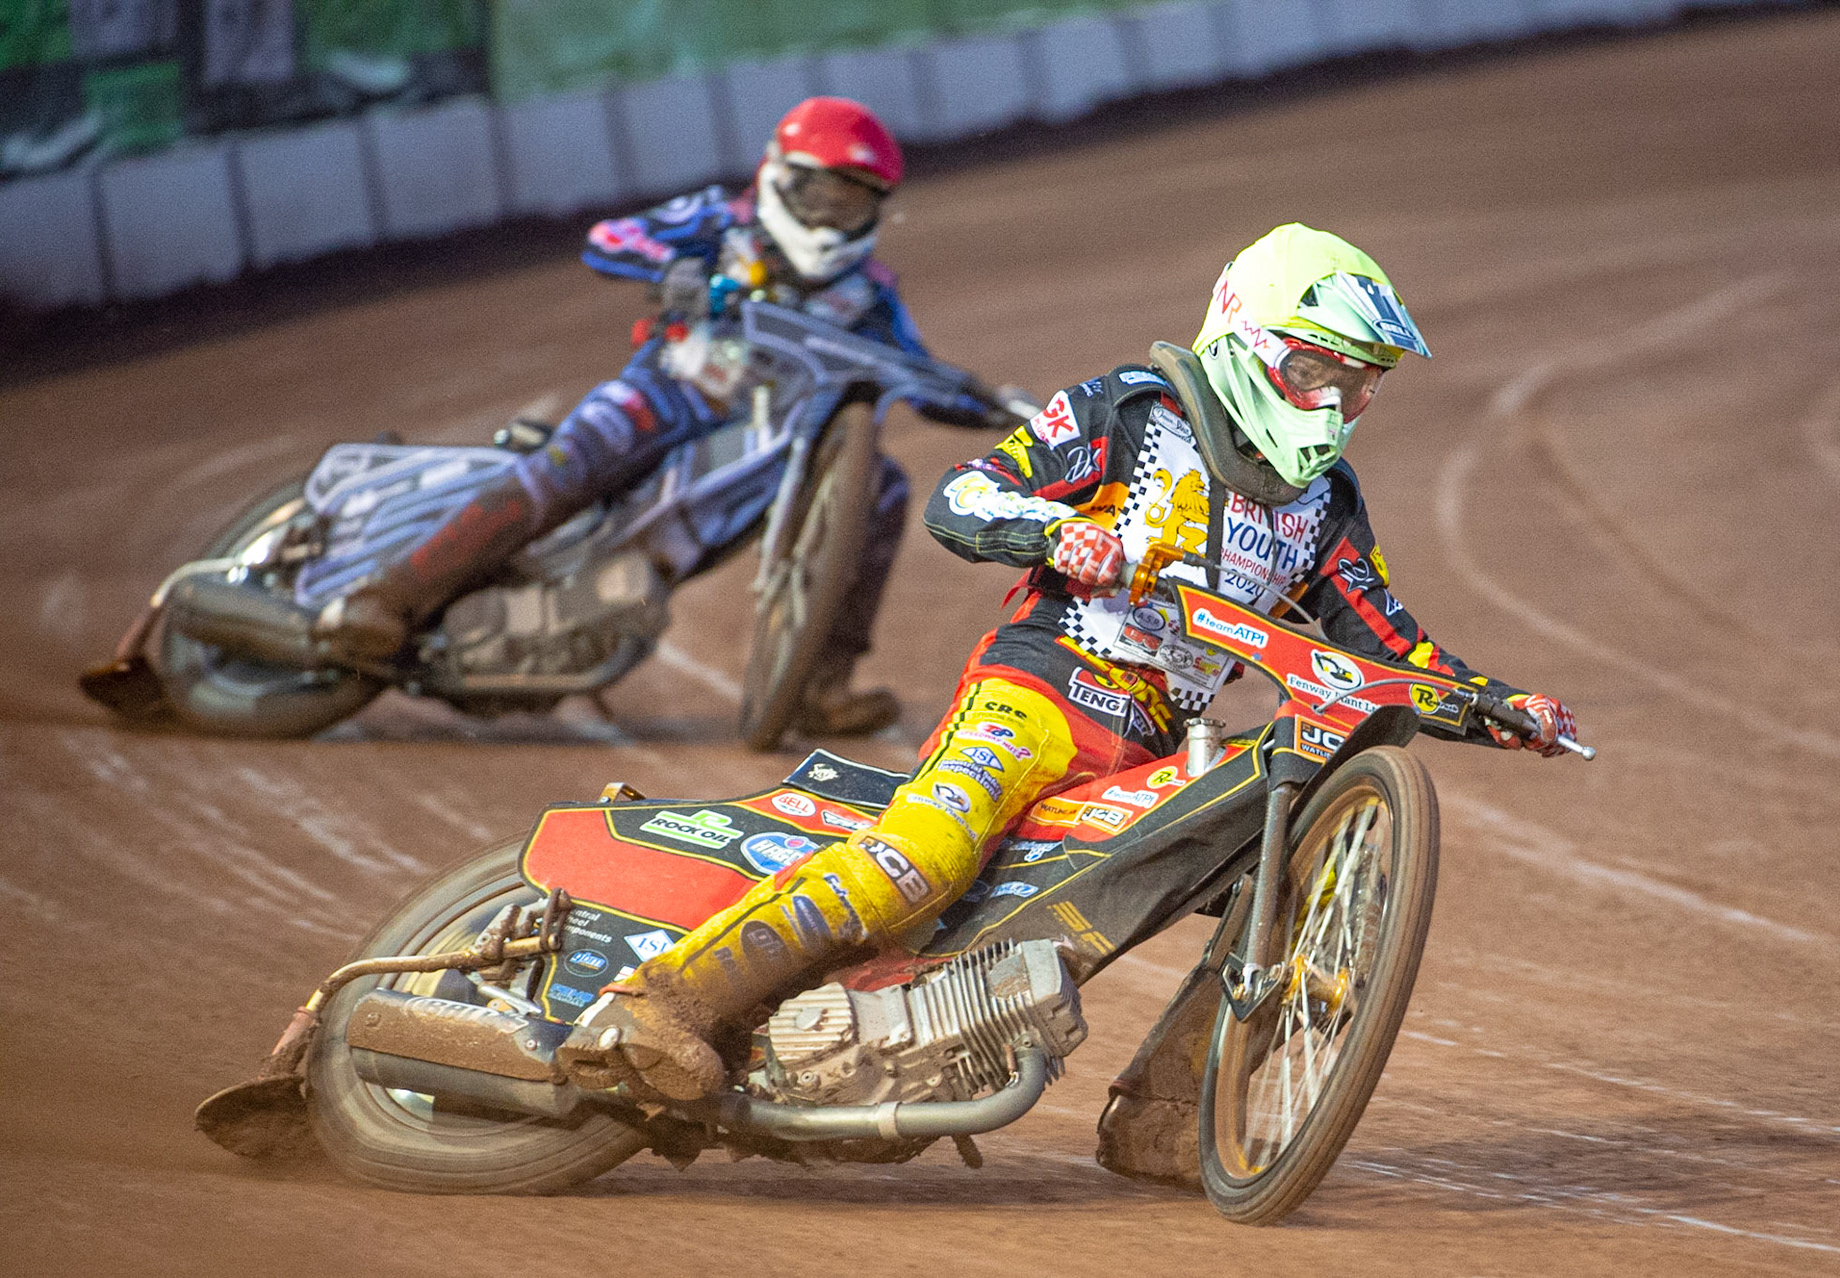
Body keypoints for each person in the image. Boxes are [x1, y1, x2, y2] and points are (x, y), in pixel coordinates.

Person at [556, 223, 1579, 1101]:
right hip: (1039, 692)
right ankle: (656, 1008)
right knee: (930, 853)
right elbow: (968, 494)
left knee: (1286, 879)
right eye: (1319, 368)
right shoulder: (1132, 413)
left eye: (1363, 381)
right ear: (1247, 340)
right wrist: (1055, 535)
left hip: (1160, 755)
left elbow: (1390, 650)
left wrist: (1501, 705)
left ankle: (1170, 1118)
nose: (1342, 399)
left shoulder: (1328, 505)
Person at [319, 96, 1008, 735]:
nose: (829, 215)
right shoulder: (721, 220)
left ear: (877, 208)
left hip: (772, 444)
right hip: (668, 390)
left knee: (882, 484)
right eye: (818, 193)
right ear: (777, 177)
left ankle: (819, 686)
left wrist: (992, 404)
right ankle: (389, 596)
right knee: (575, 463)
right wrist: (673, 270)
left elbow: (914, 370)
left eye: (850, 201)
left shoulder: (872, 293)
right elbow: (612, 238)